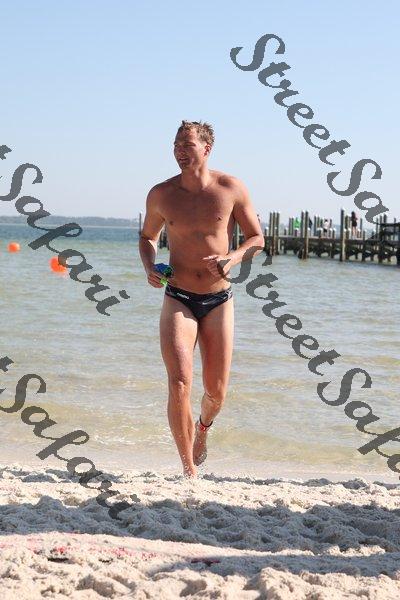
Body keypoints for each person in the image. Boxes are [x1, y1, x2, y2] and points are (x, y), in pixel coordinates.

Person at [139, 120, 264, 478]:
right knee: (179, 381)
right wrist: (150, 265)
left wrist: (232, 258)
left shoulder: (231, 188)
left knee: (216, 392)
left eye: (187, 145)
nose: (179, 151)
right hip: (178, 296)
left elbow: (256, 238)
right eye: (176, 144)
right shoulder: (161, 194)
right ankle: (188, 468)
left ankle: (203, 429)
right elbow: (147, 237)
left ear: (206, 149)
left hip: (218, 299)